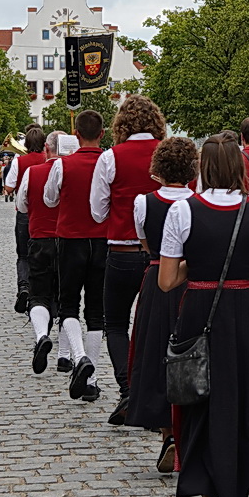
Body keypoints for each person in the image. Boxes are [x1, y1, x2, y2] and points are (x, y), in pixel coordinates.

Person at [156, 134, 249, 497]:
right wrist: (242, 278)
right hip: (247, 316)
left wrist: (201, 268)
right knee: (245, 410)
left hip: (199, 313)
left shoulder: (182, 211)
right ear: (240, 170)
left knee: (199, 407)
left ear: (203, 168)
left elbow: (166, 280)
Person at [89, 96, 166, 425]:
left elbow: (97, 211)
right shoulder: (167, 152)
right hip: (162, 256)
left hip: (122, 252)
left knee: (116, 324)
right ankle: (157, 396)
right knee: (159, 327)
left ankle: (127, 388)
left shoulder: (110, 157)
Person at [125, 136, 198, 471]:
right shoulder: (199, 203)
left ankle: (168, 433)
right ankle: (189, 432)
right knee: (193, 355)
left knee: (157, 354)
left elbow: (145, 243)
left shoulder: (144, 202)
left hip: (157, 279)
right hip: (193, 280)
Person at [44, 112, 110, 401]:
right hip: (102, 239)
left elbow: (50, 199)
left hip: (71, 239)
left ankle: (80, 356)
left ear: (76, 134)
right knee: (96, 310)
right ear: (102, 133)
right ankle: (92, 380)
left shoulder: (62, 164)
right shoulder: (109, 161)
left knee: (68, 304)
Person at [16, 131, 67, 375]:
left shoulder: (32, 172)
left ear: (47, 148)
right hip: (67, 241)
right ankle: (65, 356)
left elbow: (21, 205)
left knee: (39, 294)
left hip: (39, 238)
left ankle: (41, 336)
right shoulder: (73, 171)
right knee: (67, 298)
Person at [5, 127, 47, 315]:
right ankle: (41, 291)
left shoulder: (19, 161)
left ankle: (23, 287)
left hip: (24, 213)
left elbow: (8, 187)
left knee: (23, 254)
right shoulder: (50, 159)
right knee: (43, 253)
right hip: (45, 213)